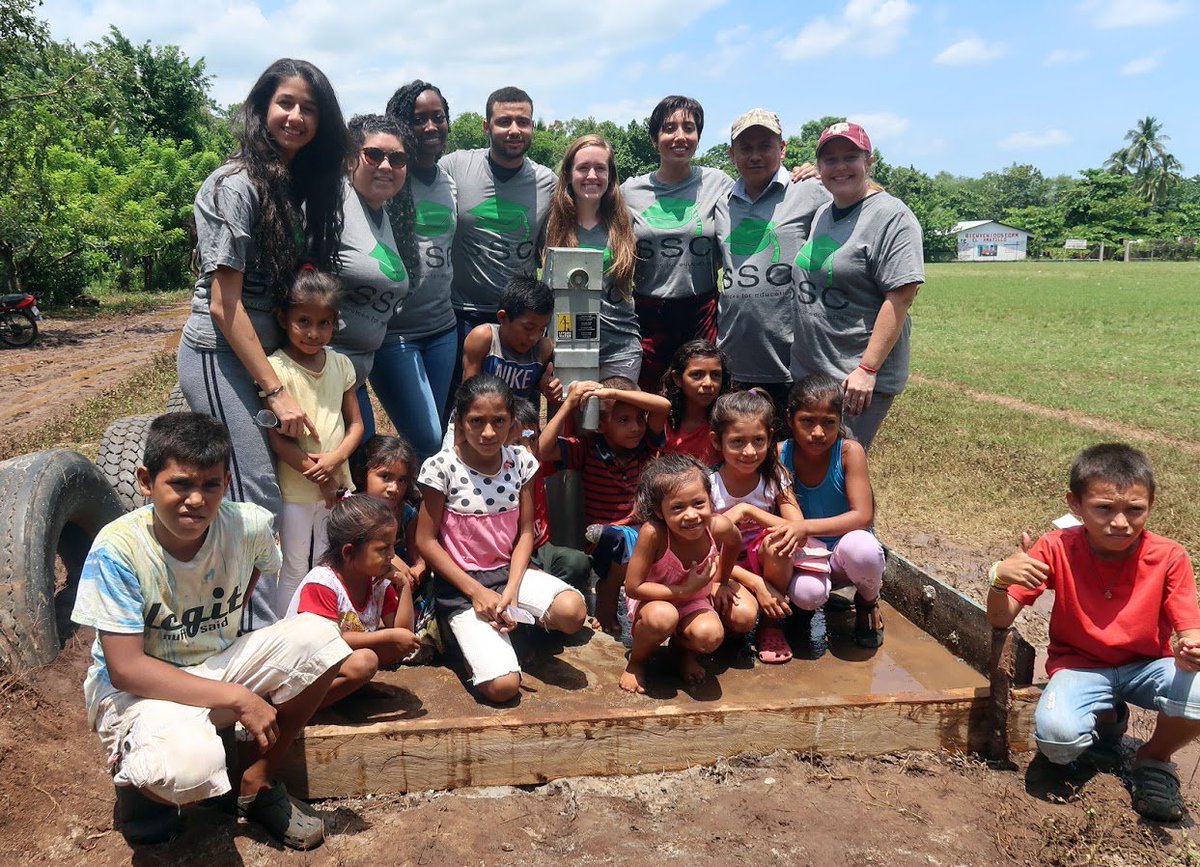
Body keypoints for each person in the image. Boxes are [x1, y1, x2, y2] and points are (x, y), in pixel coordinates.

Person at [70, 412, 351, 850]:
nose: (196, 500)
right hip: (140, 692)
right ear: (146, 481)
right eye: (180, 484)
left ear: (226, 482)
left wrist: (228, 681)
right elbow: (125, 670)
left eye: (210, 485)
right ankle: (138, 783)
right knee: (190, 769)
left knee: (322, 638)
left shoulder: (248, 525)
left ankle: (255, 782)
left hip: (214, 665)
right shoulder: (117, 548)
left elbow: (250, 579)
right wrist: (237, 697)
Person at [177, 59, 348, 630]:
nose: (296, 116)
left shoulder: (294, 189)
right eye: (285, 103)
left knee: (275, 492)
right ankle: (252, 635)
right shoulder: (235, 186)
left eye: (309, 107)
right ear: (261, 108)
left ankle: (279, 619)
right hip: (220, 353)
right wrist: (276, 393)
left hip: (265, 357)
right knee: (258, 496)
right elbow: (225, 306)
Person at [987, 444, 1200, 824]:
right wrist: (1000, 578)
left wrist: (1191, 649)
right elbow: (1000, 619)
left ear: (1151, 503)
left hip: (1146, 666)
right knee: (1057, 739)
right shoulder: (1054, 548)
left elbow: (1190, 630)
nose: (1121, 522)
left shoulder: (1169, 556)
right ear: (1075, 504)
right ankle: (1106, 720)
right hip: (1079, 668)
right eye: (1104, 508)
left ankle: (1154, 759)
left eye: (1135, 510)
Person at [415, 374, 587, 703]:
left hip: (510, 573)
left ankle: (510, 630)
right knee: (503, 688)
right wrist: (476, 591)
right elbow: (426, 541)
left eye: (499, 421)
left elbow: (525, 532)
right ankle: (458, 640)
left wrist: (511, 588)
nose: (489, 432)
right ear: (460, 422)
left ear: (511, 422)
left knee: (572, 611)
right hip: (463, 585)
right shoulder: (442, 468)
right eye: (476, 421)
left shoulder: (520, 461)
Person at [790, 121, 924, 449]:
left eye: (850, 156)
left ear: (869, 161)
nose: (839, 167)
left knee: (842, 469)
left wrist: (867, 369)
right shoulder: (824, 211)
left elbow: (901, 296)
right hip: (816, 370)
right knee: (814, 467)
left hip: (854, 377)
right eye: (829, 159)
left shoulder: (891, 217)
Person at [717, 109, 831, 411]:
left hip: (792, 362)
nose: (755, 155)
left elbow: (858, 198)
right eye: (745, 148)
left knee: (790, 451)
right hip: (733, 360)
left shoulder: (811, 191)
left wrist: (822, 174)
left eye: (765, 146)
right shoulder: (722, 202)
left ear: (782, 149)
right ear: (731, 154)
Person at [266, 268, 364, 616]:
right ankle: (284, 631)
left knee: (327, 562)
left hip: (337, 484)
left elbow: (356, 425)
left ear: (335, 323)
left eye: (324, 323)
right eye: (303, 321)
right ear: (283, 318)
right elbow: (278, 442)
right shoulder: (276, 369)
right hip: (298, 488)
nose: (313, 332)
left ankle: (320, 627)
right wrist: (321, 475)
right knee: (293, 566)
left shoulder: (341, 364)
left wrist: (335, 461)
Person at [538, 376, 670, 632]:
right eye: (623, 420)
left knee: (635, 544)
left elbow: (662, 406)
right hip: (600, 537)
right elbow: (542, 450)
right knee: (619, 545)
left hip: (641, 534)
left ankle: (621, 611)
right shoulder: (587, 449)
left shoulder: (645, 447)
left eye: (639, 419)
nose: (635, 428)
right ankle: (606, 611)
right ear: (600, 425)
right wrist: (567, 406)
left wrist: (610, 393)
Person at [621, 95, 733, 392]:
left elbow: (759, 198)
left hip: (700, 308)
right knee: (649, 395)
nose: (680, 136)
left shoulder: (718, 183)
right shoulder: (630, 191)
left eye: (689, 127)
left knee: (700, 396)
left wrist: (802, 175)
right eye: (669, 128)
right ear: (654, 138)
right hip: (648, 311)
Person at [707, 390, 824, 663]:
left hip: (766, 562)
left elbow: (798, 530)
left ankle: (771, 626)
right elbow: (703, 551)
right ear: (717, 441)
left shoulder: (774, 479)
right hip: (720, 568)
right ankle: (739, 626)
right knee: (741, 619)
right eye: (737, 442)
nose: (749, 452)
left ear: (770, 438)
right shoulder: (708, 486)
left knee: (780, 541)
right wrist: (757, 584)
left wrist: (749, 511)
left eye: (758, 440)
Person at [440, 87, 556, 360]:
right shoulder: (454, 167)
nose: (514, 130)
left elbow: (547, 252)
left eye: (523, 122)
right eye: (504, 121)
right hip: (462, 312)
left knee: (517, 403)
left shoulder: (547, 182)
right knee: (461, 400)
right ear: (486, 126)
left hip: (521, 319)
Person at [377, 81, 459, 463]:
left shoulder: (447, 181)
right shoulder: (389, 176)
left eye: (437, 117)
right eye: (418, 119)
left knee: (435, 432)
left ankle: (418, 514)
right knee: (426, 437)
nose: (430, 127)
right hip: (396, 332)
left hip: (443, 328)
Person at [779, 374, 885, 648]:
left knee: (863, 550)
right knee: (807, 593)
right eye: (807, 421)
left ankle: (867, 601)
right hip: (805, 556)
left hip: (844, 553)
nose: (818, 432)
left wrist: (805, 527)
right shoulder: (779, 455)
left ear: (840, 422)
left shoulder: (848, 452)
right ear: (790, 420)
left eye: (828, 422)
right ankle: (806, 606)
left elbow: (861, 516)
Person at [620, 454, 740, 694]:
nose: (691, 515)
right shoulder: (653, 533)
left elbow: (734, 542)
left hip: (693, 602)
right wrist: (683, 589)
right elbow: (633, 587)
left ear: (710, 500)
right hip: (653, 601)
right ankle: (637, 661)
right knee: (662, 617)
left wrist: (723, 581)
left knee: (711, 636)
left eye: (698, 503)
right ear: (660, 511)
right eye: (677, 507)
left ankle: (681, 651)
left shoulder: (717, 527)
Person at [329, 114, 417, 439]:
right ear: (351, 157)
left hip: (353, 379)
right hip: (320, 378)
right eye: (374, 154)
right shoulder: (333, 204)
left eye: (397, 158)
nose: (385, 166)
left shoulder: (380, 211)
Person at [286, 495, 418, 707]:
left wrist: (404, 587)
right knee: (365, 662)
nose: (392, 555)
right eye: (383, 549)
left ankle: (352, 688)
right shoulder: (322, 583)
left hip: (334, 662)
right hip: (301, 671)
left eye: (393, 546)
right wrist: (390, 634)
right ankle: (302, 706)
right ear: (348, 552)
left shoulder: (378, 582)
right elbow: (322, 643)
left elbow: (404, 635)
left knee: (393, 646)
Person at [544, 134, 641, 382]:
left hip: (620, 348)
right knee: (570, 420)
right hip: (567, 344)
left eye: (600, 168)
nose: (591, 176)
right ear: (568, 174)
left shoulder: (625, 220)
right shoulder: (552, 221)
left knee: (615, 420)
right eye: (583, 168)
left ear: (610, 175)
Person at [511, 398, 593, 598]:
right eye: (516, 443)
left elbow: (545, 448)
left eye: (532, 439)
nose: (527, 450)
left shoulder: (536, 464)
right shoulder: (496, 479)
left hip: (541, 549)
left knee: (577, 563)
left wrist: (567, 405)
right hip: (510, 556)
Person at [461, 275, 560, 407]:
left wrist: (547, 387)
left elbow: (541, 385)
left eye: (541, 330)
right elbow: (468, 394)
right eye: (528, 328)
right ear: (503, 317)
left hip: (520, 422)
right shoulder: (483, 339)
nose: (534, 337)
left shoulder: (542, 349)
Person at [661, 340, 730, 466]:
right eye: (697, 375)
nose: (708, 383)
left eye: (715, 375)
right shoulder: (663, 421)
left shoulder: (727, 421)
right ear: (677, 378)